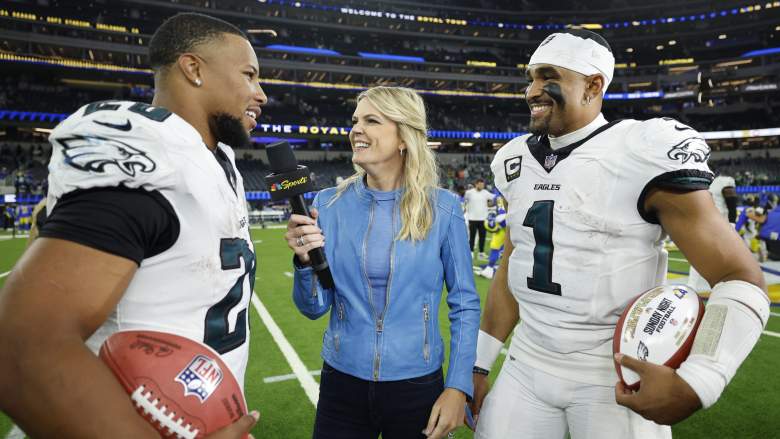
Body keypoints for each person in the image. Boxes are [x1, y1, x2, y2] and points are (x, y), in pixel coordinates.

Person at [470, 30, 770, 439]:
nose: (532, 90)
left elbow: (739, 277)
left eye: (547, 76)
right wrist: (480, 364)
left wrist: (702, 378)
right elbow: (513, 265)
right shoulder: (514, 158)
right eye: (531, 78)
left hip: (613, 372)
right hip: (526, 361)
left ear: (594, 85)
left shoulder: (642, 148)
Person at [0, 13, 267, 438]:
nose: (261, 93)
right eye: (249, 75)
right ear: (193, 69)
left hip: (188, 408)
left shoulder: (218, 159)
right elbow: (20, 350)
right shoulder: (149, 151)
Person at [284, 86, 480, 439]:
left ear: (404, 137)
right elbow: (314, 307)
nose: (356, 129)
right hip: (341, 382)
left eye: (371, 120)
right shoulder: (328, 204)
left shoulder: (445, 208)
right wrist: (302, 262)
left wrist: (458, 386)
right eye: (355, 120)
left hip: (418, 385)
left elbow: (464, 304)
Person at [687, 168, 738, 290]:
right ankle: (721, 287)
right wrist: (732, 224)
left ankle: (691, 285)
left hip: (706, 222)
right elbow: (732, 204)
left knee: (698, 255)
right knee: (724, 258)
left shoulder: (708, 181)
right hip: (720, 225)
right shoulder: (726, 181)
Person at [464, 178, 493, 259]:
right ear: (476, 184)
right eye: (480, 184)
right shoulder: (469, 193)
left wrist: (490, 203)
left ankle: (481, 253)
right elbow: (465, 202)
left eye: (483, 185)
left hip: (483, 219)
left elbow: (493, 199)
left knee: (482, 237)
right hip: (472, 218)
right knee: (472, 236)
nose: (482, 186)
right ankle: (471, 252)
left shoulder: (485, 193)